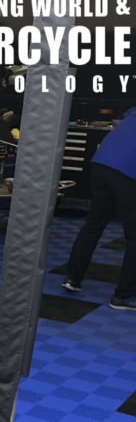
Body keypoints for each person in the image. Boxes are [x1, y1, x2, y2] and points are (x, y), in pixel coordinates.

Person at [63, 106, 136, 310]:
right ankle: (123, 297)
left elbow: (118, 125)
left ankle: (72, 278)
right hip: (127, 171)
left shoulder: (132, 111)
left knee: (94, 223)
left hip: (101, 165)